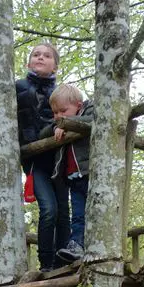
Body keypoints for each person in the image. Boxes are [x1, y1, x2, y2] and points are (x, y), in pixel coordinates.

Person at [15, 43, 69, 271]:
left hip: (58, 158)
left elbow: (75, 114)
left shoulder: (61, 94)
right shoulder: (18, 87)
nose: (40, 58)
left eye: (47, 56)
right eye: (36, 55)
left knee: (63, 211)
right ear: (28, 62)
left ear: (55, 65)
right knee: (49, 209)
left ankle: (63, 259)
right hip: (35, 160)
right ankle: (46, 262)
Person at [43, 84, 94, 263]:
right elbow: (45, 131)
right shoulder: (60, 125)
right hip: (74, 179)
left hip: (90, 175)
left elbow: (94, 119)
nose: (58, 117)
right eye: (55, 113)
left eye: (63, 111)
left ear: (79, 105)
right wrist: (58, 127)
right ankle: (77, 246)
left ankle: (89, 246)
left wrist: (69, 124)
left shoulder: (91, 110)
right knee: (78, 215)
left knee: (95, 212)